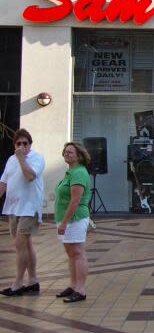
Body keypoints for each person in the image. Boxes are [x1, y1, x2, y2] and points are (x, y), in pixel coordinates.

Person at [0, 129, 45, 297]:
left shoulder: (36, 158)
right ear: (14, 145)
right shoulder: (11, 160)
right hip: (13, 207)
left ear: (30, 144)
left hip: (29, 207)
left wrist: (21, 158)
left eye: (25, 143)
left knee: (20, 244)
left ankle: (18, 283)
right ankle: (33, 280)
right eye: (18, 143)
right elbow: (3, 183)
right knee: (26, 244)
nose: (21, 146)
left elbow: (30, 176)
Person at [54, 142, 92, 303]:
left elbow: (75, 200)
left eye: (70, 152)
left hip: (74, 219)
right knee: (71, 254)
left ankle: (80, 289)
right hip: (65, 219)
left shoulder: (78, 173)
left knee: (77, 253)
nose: (67, 154)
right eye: (65, 152)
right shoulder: (70, 172)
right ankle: (73, 285)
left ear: (79, 155)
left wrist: (64, 222)